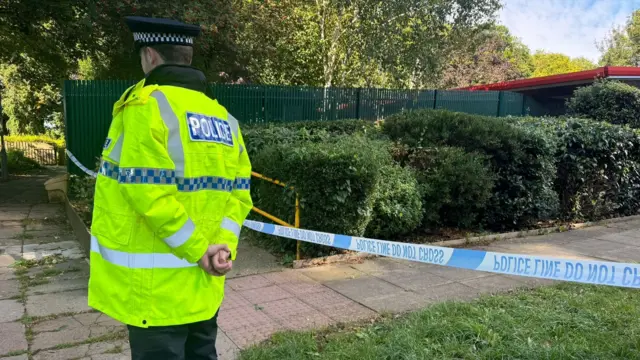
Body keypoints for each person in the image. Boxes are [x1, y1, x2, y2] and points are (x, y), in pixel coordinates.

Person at [87, 16, 253, 360]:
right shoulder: (224, 118)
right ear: (187, 57)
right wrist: (223, 249)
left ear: (150, 56)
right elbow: (239, 195)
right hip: (205, 286)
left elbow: (149, 194)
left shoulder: (146, 107)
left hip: (155, 294)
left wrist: (197, 250)